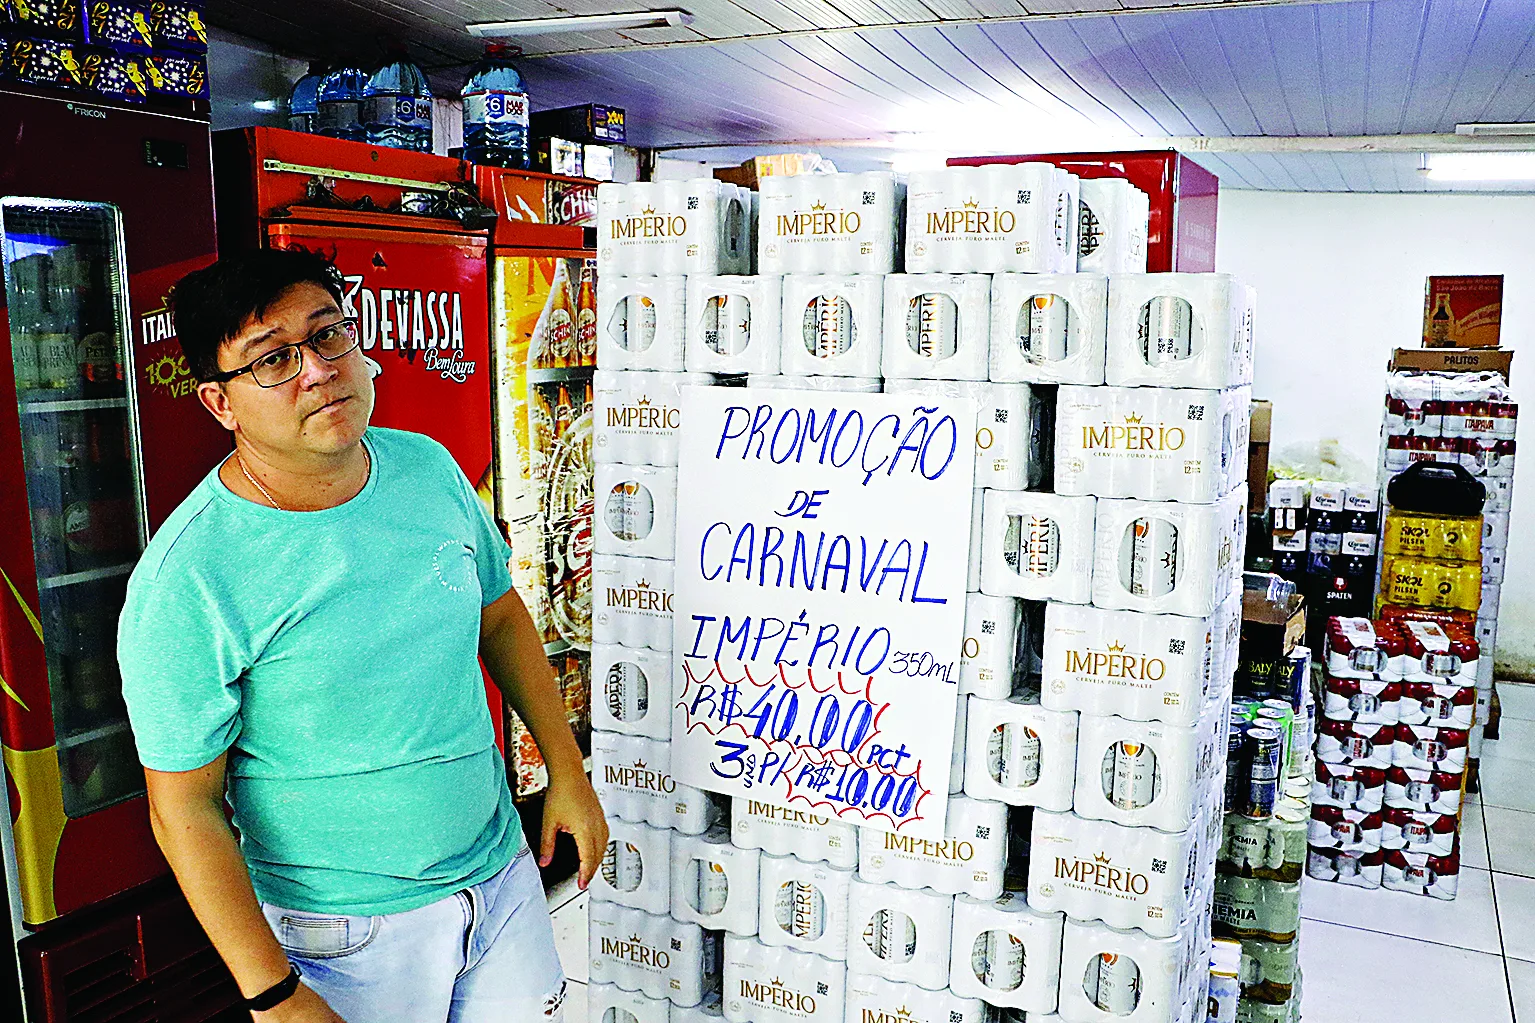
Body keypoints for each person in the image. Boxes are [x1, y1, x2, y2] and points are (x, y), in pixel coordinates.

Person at [117, 248, 606, 1022]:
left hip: (501, 878)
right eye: (272, 359)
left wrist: (568, 771)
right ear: (220, 403)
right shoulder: (190, 579)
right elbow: (185, 809)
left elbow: (499, 613)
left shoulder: (428, 468)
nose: (316, 369)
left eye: (326, 335)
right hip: (342, 933)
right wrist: (274, 994)